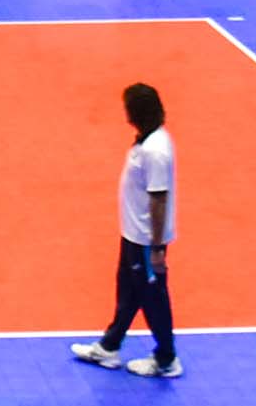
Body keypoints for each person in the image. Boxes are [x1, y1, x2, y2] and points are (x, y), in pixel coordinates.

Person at [72, 81, 180, 379]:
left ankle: (166, 358)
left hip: (145, 241)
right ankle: (109, 346)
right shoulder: (148, 140)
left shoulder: (155, 151)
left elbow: (159, 199)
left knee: (152, 298)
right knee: (129, 292)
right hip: (133, 235)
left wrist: (156, 249)